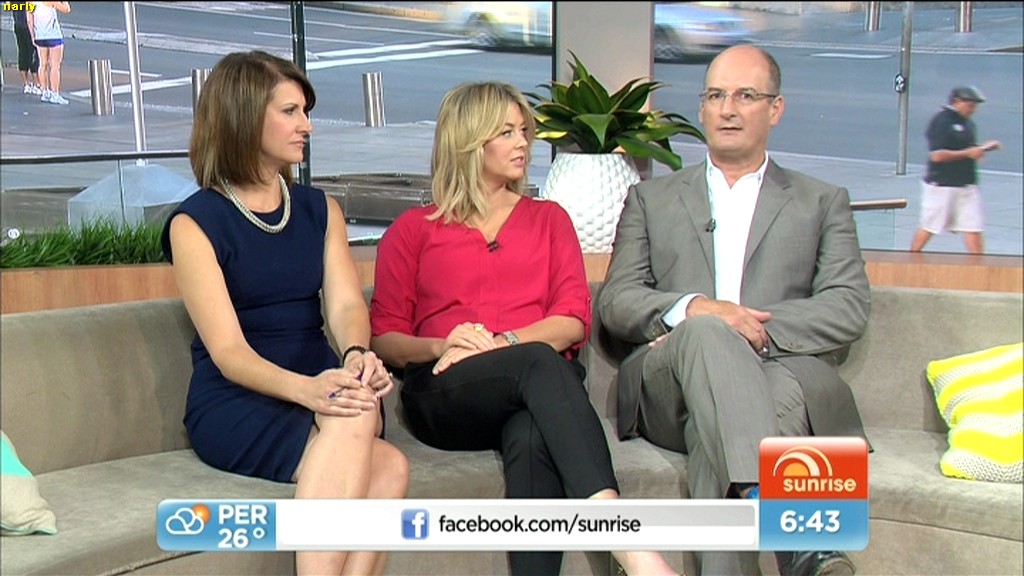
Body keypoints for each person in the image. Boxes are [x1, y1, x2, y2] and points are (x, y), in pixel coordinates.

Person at [370, 81, 679, 576]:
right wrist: (443, 343)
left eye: (524, 131)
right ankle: (630, 546)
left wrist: (500, 344)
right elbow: (385, 337)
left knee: (533, 433)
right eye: (507, 133)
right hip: (447, 391)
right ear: (470, 143)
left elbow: (571, 321)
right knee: (537, 362)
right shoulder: (414, 230)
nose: (523, 144)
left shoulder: (549, 220)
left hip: (539, 390)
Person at [598, 45, 870, 576]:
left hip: (777, 373)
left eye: (745, 95)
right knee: (705, 331)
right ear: (701, 109)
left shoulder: (821, 201)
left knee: (718, 431)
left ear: (776, 108)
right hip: (669, 384)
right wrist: (698, 310)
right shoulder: (651, 199)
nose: (727, 109)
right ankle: (792, 528)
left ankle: (751, 494)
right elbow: (617, 300)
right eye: (715, 96)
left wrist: (749, 328)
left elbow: (848, 305)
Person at [161, 50, 409, 576]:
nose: (307, 126)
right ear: (246, 117)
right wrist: (309, 391)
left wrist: (356, 354)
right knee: (362, 426)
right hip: (239, 398)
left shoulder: (320, 209)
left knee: (389, 464)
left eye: (305, 112)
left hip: (320, 383)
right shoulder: (195, 222)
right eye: (291, 112)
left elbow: (345, 305)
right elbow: (228, 352)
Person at [910, 86, 1002, 255]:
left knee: (973, 227)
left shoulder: (968, 124)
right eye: (970, 105)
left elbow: (968, 149)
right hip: (942, 185)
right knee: (930, 225)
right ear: (957, 102)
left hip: (966, 185)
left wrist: (983, 148)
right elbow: (937, 155)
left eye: (974, 106)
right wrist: (969, 153)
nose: (973, 110)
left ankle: (979, 266)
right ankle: (912, 257)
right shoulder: (942, 121)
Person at [27, 1, 71, 105]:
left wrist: (33, 35)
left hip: (39, 35)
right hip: (53, 35)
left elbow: (29, 19)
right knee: (55, 66)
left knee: (43, 65)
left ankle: (45, 92)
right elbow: (66, 9)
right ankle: (55, 94)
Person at [12, 6, 42, 96]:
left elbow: (7, 6)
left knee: (22, 52)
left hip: (18, 24)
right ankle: (37, 84)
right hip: (28, 26)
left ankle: (26, 83)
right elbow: (31, 10)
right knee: (33, 52)